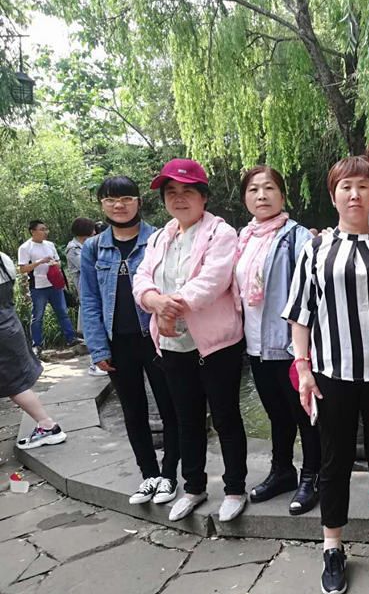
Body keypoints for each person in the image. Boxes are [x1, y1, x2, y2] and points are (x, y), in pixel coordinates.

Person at [283, 156, 369, 593]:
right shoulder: (315, 249)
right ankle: (333, 546)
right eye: (345, 186)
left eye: (363, 186)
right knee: (334, 459)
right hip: (331, 373)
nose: (355, 194)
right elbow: (301, 313)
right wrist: (303, 368)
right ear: (333, 195)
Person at [133, 159, 248, 523]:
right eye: (171, 192)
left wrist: (168, 309)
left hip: (216, 345)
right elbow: (141, 277)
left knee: (226, 417)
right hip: (173, 346)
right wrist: (153, 301)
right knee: (187, 419)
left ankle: (234, 489)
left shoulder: (220, 233)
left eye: (187, 191)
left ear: (204, 196)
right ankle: (194, 487)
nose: (178, 198)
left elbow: (212, 281)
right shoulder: (160, 237)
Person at [81, 176, 181, 506]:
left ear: (138, 201)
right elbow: (90, 299)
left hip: (156, 338)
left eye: (126, 198)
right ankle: (148, 474)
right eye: (110, 199)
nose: (119, 205)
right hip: (117, 342)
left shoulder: (159, 238)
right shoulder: (93, 248)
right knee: (133, 411)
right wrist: (97, 347)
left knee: (170, 407)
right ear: (102, 205)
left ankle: (169, 475)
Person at [235, 165, 320, 515]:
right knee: (275, 413)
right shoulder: (243, 238)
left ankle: (312, 475)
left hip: (288, 344)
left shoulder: (296, 236)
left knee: (304, 414)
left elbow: (313, 289)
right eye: (254, 189)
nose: (262, 195)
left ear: (282, 196)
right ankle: (282, 470)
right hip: (254, 344)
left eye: (269, 188)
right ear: (245, 197)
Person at [1, 251, 68, 450]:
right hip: (9, 326)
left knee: (15, 384)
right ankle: (48, 426)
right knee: (16, 383)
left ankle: (48, 426)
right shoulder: (3, 259)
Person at [17, 220, 81, 356]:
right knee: (37, 317)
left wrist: (55, 264)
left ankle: (71, 338)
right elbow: (22, 269)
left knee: (62, 312)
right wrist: (39, 262)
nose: (45, 232)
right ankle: (37, 345)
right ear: (32, 231)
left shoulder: (50, 245)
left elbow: (59, 263)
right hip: (38, 287)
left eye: (46, 229)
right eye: (42, 229)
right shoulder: (25, 247)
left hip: (54, 285)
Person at [67, 217, 107, 377]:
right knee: (92, 328)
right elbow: (90, 265)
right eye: (92, 229)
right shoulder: (73, 249)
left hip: (98, 291)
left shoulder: (88, 245)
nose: (94, 232)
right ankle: (94, 363)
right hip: (87, 293)